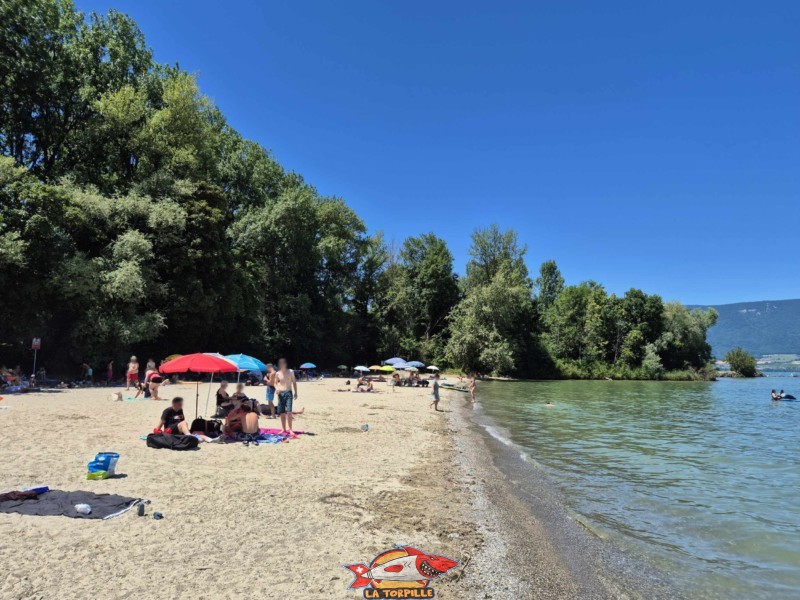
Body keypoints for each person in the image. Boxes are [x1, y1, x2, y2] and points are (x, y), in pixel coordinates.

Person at [275, 358, 298, 434]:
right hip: (281, 393)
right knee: (282, 412)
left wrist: (296, 392)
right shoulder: (277, 373)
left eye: (283, 364)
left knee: (289, 411)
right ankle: (283, 429)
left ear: (285, 364)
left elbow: (294, 382)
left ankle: (290, 429)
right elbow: (275, 383)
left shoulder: (291, 371)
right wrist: (277, 388)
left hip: (288, 392)